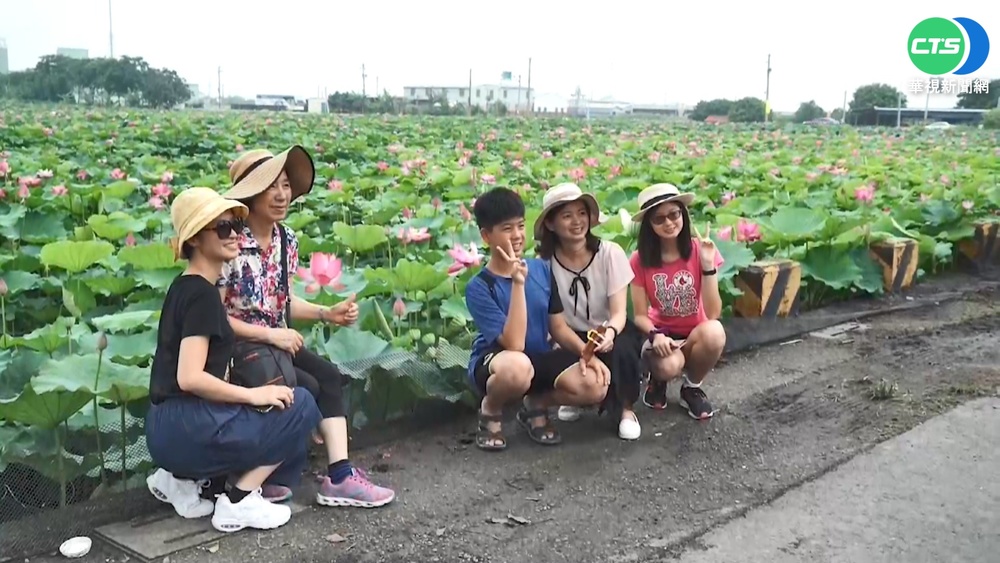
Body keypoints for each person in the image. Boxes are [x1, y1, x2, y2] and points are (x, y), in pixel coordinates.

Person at [217, 145, 394, 507]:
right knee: (303, 387)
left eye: (285, 185)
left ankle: (340, 477)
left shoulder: (286, 240)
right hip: (237, 349)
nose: (281, 195)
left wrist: (328, 313)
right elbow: (211, 316)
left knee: (327, 377)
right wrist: (269, 334)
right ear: (249, 194)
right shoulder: (228, 242)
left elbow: (283, 301)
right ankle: (253, 476)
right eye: (270, 187)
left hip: (276, 344)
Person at [145, 187, 322, 533]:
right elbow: (189, 377)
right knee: (300, 405)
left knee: (270, 405)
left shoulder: (184, 286)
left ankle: (177, 481)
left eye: (236, 227)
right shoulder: (202, 295)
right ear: (195, 240)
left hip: (163, 427)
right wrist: (254, 395)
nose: (234, 235)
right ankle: (240, 500)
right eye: (223, 228)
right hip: (187, 427)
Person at [465, 186, 612, 451]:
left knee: (594, 383)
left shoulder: (542, 269)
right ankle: (491, 408)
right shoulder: (480, 286)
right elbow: (514, 344)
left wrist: (587, 354)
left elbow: (557, 327)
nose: (517, 235)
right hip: (498, 362)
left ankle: (536, 404)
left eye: (520, 226)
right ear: (486, 236)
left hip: (539, 357)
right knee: (518, 367)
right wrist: (517, 284)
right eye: (507, 229)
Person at [533, 183, 645, 441]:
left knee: (623, 347)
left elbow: (618, 313)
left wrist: (609, 333)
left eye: (582, 213)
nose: (577, 221)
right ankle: (571, 398)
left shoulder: (610, 253)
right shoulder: (543, 265)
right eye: (567, 215)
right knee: (555, 355)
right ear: (550, 224)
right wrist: (582, 348)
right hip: (568, 335)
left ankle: (626, 410)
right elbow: (555, 325)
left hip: (608, 328)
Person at [628, 183, 727, 420]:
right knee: (668, 366)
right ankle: (657, 380)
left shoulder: (701, 250)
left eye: (674, 214)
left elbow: (713, 313)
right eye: (659, 218)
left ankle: (691, 387)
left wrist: (707, 265)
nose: (669, 223)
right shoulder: (639, 260)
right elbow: (639, 315)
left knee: (715, 332)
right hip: (661, 335)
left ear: (683, 214)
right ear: (649, 225)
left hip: (696, 334)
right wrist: (656, 335)